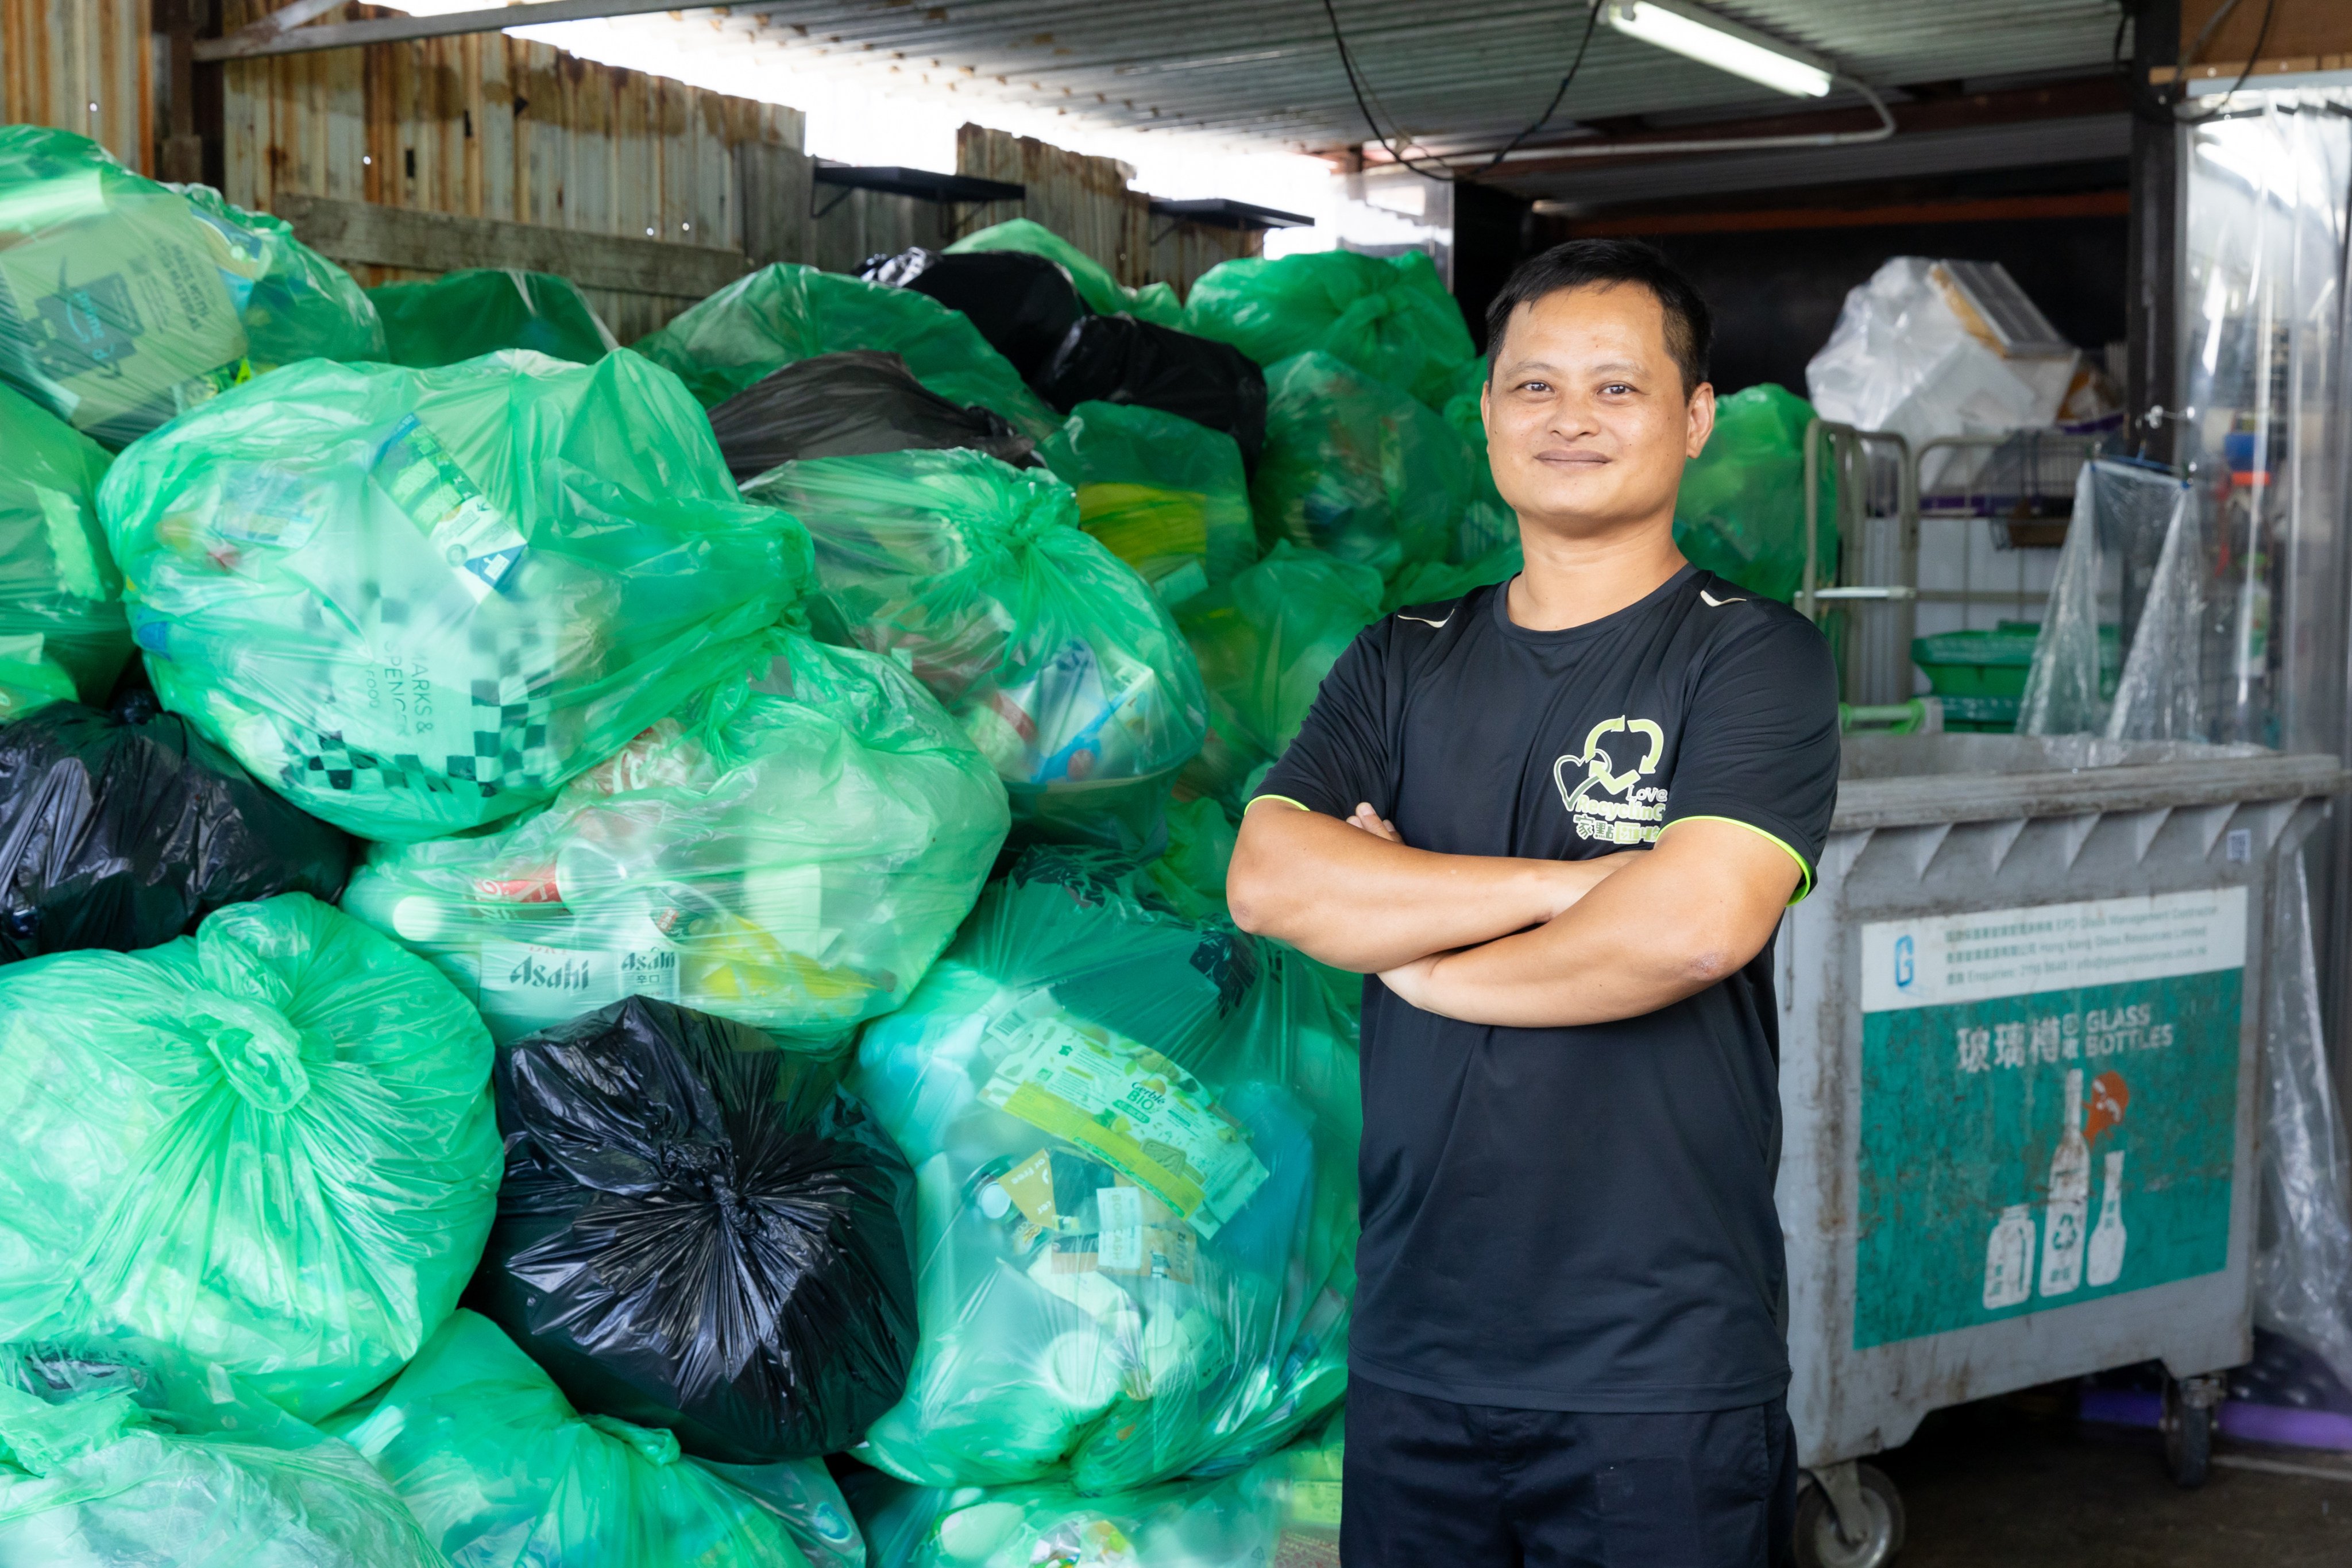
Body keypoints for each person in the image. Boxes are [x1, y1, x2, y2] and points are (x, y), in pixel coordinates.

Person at [1226, 238, 1840, 1566]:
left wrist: (1419, 955)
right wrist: (1566, 888)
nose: (1569, 420)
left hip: (1654, 1375)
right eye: (1532, 387)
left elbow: (1691, 925)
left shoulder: (1750, 653)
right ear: (1488, 414)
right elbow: (1270, 880)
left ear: (1691, 421)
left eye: (1616, 390)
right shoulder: (1402, 658)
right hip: (1417, 1356)